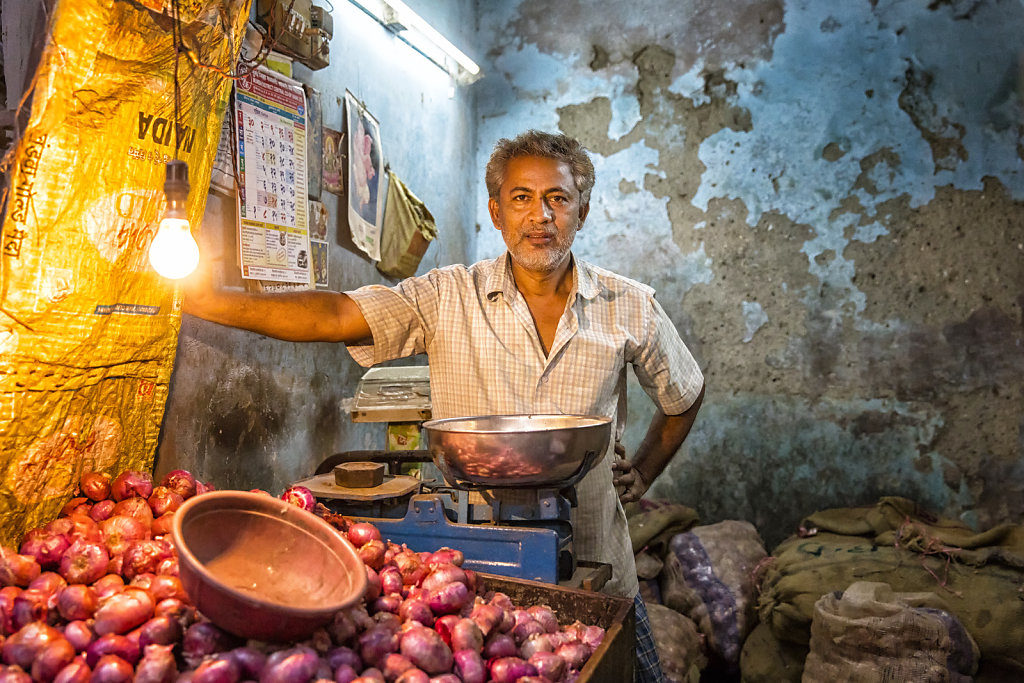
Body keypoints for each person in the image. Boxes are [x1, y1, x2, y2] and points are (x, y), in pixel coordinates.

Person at [184, 130, 705, 682]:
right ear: (496, 211)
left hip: (598, 554)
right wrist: (208, 299)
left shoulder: (629, 306)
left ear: (584, 209)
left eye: (557, 197)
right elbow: (337, 316)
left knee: (624, 671)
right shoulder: (448, 295)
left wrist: (644, 472)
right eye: (521, 197)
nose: (540, 216)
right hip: (478, 573)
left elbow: (685, 395)